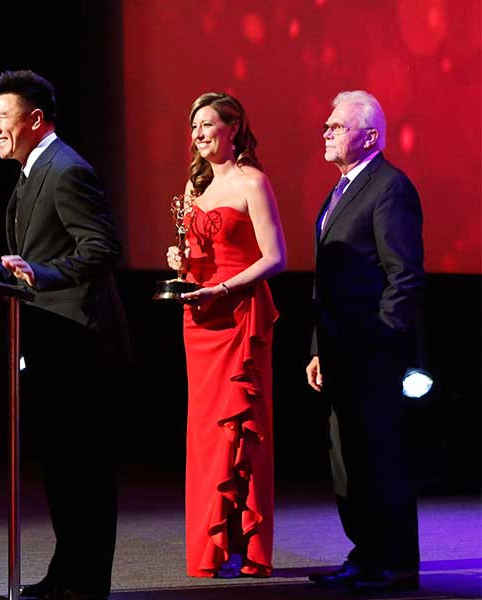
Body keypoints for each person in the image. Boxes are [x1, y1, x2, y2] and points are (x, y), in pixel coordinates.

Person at [0, 70, 130, 600]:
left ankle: (89, 581)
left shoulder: (66, 170)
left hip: (80, 345)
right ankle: (67, 571)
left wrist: (39, 275)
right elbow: (29, 260)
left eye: (2, 117)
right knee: (62, 469)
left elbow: (101, 248)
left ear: (35, 119)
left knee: (85, 469)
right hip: (50, 341)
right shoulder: (31, 172)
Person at [306, 90, 423, 591]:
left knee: (380, 457)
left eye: (337, 126)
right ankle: (365, 553)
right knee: (346, 459)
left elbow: (404, 275)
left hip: (371, 352)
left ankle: (394, 562)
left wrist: (383, 342)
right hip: (337, 350)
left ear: (369, 136)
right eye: (327, 125)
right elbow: (327, 282)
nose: (326, 132)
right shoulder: (341, 190)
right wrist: (317, 347)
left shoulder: (389, 187)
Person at [165, 92, 285, 578]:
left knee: (239, 432)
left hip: (238, 316)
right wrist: (181, 263)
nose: (197, 134)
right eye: (193, 126)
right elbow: (197, 253)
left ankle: (245, 549)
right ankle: (211, 547)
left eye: (207, 124)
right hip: (201, 320)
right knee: (206, 436)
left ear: (233, 127)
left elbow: (276, 257)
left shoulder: (252, 182)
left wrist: (223, 286)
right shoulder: (194, 188)